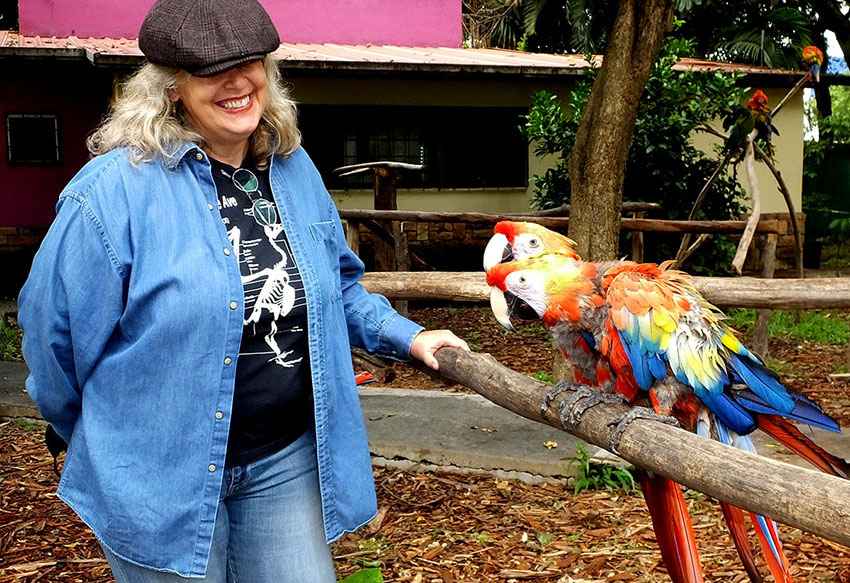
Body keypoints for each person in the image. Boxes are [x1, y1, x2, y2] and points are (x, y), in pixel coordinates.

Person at [17, 0, 468, 581]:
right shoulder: (110, 193)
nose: (237, 81)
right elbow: (54, 340)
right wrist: (101, 437)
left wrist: (410, 337)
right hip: (158, 474)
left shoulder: (293, 169)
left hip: (284, 462)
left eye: (250, 61)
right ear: (172, 87)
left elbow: (336, 287)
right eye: (210, 69)